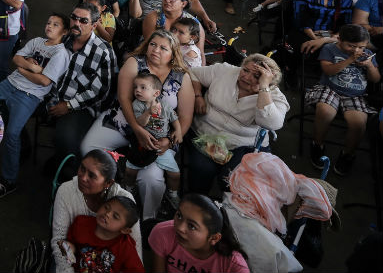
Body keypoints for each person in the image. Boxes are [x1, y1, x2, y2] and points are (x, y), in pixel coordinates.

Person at [82, 30, 193, 217]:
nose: (156, 50)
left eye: (163, 48)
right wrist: (136, 128)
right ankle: (115, 185)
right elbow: (124, 99)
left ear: (173, 54)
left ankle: (148, 217)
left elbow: (185, 116)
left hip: (159, 134)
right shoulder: (135, 63)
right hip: (124, 121)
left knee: (152, 179)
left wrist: (170, 141)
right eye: (153, 44)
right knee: (89, 148)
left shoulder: (182, 76)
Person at [0, 13, 70, 199]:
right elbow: (16, 59)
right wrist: (30, 68)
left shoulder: (60, 54)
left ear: (64, 31)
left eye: (55, 25)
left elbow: (44, 81)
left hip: (29, 95)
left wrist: (24, 69)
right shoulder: (37, 41)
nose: (49, 26)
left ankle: (9, 180)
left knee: (12, 134)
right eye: (48, 22)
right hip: (10, 83)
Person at [185, 55, 288, 195]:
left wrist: (264, 87)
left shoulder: (275, 96)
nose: (247, 77)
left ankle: (229, 211)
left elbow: (271, 123)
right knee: (201, 169)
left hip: (243, 146)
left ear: (270, 81)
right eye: (245, 70)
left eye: (257, 76)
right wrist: (198, 96)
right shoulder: (225, 71)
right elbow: (193, 73)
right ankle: (196, 204)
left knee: (233, 181)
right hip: (204, 136)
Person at [48, 4, 117, 168]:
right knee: (4, 107)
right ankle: (27, 151)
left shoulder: (103, 52)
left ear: (94, 25)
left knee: (66, 139)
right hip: (50, 95)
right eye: (74, 18)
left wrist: (69, 105)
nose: (76, 23)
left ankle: (68, 177)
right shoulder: (61, 39)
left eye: (83, 21)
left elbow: (100, 91)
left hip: (80, 106)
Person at [308, 24, 380, 176]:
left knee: (359, 123)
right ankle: (318, 144)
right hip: (329, 88)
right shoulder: (330, 49)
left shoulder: (367, 54)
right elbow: (328, 70)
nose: (356, 50)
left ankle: (348, 154)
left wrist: (369, 66)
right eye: (351, 46)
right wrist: (349, 60)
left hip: (355, 95)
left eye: (360, 47)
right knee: (325, 112)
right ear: (340, 40)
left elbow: (376, 79)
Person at [51, 149, 143, 266]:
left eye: (92, 175)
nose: (83, 178)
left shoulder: (125, 200)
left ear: (108, 183)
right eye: (82, 168)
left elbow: (136, 250)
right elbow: (60, 241)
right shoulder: (66, 191)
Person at [149, 193, 250, 273]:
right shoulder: (162, 233)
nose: (180, 228)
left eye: (192, 226)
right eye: (179, 216)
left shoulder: (233, 264)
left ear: (214, 238)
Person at [57, 196, 145, 273]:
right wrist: (69, 248)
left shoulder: (126, 247)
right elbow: (72, 247)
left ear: (125, 230)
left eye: (115, 216)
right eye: (106, 207)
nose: (107, 214)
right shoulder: (81, 223)